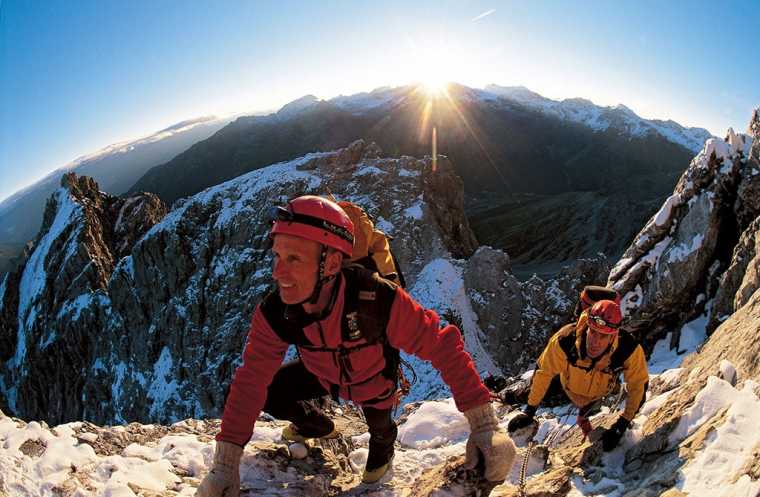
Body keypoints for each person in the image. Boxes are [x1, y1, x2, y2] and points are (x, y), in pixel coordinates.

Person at [196, 195, 515, 497]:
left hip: (373, 383)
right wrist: (224, 465)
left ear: (332, 264)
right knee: (270, 391)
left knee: (376, 462)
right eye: (277, 256)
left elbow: (442, 345)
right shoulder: (276, 313)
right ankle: (317, 425)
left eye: (294, 258)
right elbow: (251, 380)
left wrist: (484, 425)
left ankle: (383, 439)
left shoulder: (376, 300)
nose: (279, 273)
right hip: (322, 375)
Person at [507, 299, 649, 451]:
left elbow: (639, 385)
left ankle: (583, 418)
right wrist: (530, 411)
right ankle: (509, 396)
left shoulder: (628, 348)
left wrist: (622, 424)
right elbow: (544, 372)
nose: (595, 342)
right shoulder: (565, 340)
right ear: (587, 326)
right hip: (568, 386)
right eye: (593, 332)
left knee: (595, 402)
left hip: (601, 390)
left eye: (603, 336)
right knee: (536, 391)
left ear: (613, 336)